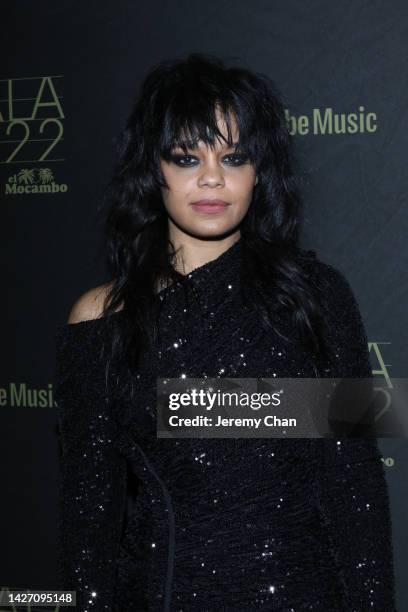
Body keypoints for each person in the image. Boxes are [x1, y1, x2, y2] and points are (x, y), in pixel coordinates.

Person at [54, 53, 396, 611]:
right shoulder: (100, 319)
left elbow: (352, 488)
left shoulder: (315, 295)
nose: (212, 177)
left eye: (233, 156)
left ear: (259, 172)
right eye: (187, 157)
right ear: (153, 169)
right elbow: (89, 525)